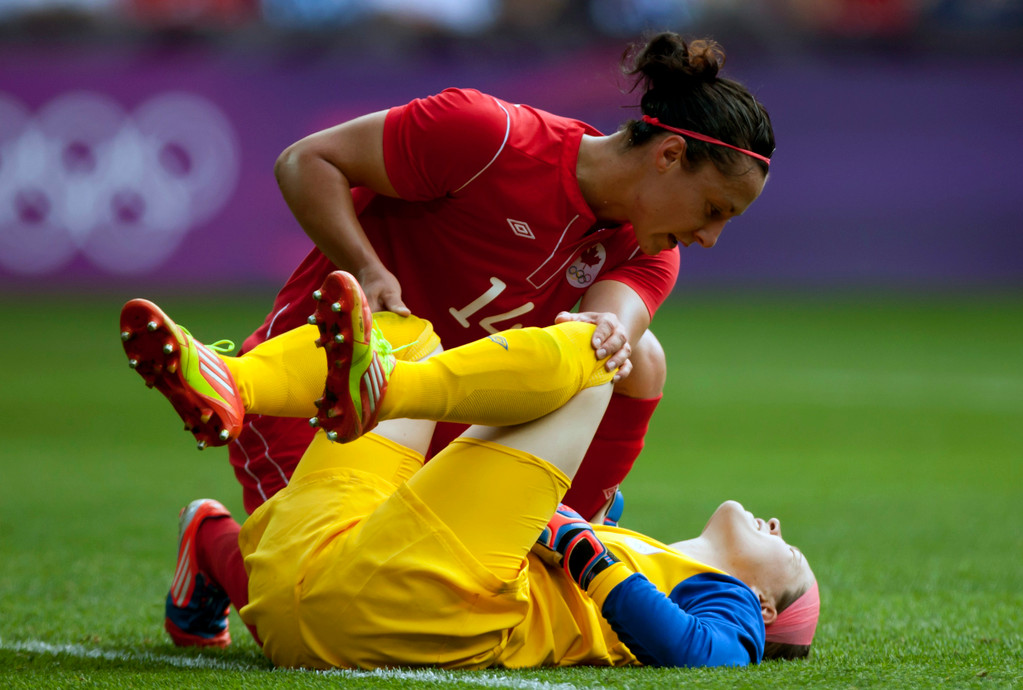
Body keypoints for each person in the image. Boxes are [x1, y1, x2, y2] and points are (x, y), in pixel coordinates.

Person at [141, 31, 776, 647]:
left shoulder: (651, 252)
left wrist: (607, 333)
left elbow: (607, 336)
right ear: (669, 155)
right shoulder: (489, 136)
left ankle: (565, 523)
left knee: (634, 358)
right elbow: (307, 161)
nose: (710, 238)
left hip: (443, 434)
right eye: (714, 209)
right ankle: (215, 522)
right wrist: (367, 269)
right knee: (303, 605)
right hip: (317, 399)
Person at [120, 271, 819, 667]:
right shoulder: (642, 556)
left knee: (599, 355)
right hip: (313, 585)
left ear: (762, 608)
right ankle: (234, 387)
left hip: (416, 609)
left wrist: (585, 551)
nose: (777, 526)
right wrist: (592, 534)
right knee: (405, 333)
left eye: (790, 554)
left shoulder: (727, 604)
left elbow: (703, 656)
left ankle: (366, 392)